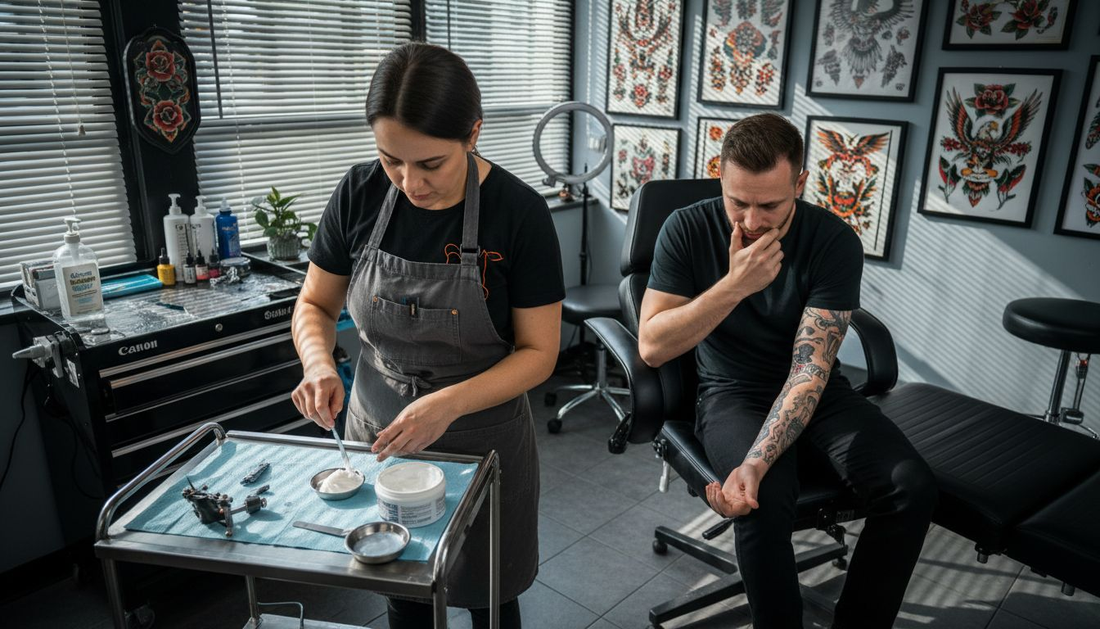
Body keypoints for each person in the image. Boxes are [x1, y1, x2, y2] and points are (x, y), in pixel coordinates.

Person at [291, 42, 564, 629]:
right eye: (392, 159)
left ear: (473, 133)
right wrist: (317, 363)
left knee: (490, 592)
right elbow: (315, 302)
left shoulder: (519, 214)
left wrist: (445, 405)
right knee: (403, 586)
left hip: (481, 434)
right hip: (380, 426)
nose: (410, 183)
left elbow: (541, 354)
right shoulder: (359, 193)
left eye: (431, 164)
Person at [637, 113, 936, 629]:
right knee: (761, 501)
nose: (752, 221)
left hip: (816, 390)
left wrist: (756, 459)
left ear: (799, 183)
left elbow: (810, 372)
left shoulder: (833, 241)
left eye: (770, 205)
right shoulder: (685, 228)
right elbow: (652, 347)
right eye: (738, 201)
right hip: (733, 393)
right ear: (721, 178)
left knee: (911, 487)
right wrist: (735, 285)